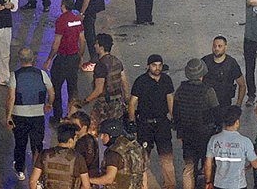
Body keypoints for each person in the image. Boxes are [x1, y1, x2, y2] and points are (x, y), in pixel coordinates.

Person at [128, 55, 176, 189]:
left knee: (167, 159)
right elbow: (132, 103)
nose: (157, 68)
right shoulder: (141, 81)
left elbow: (170, 99)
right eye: (154, 65)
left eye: (160, 65)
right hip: (145, 124)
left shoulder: (166, 80)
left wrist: (173, 117)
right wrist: (132, 123)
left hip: (162, 124)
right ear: (148, 66)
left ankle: (170, 186)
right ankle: (142, 186)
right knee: (143, 160)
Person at [7, 47, 54, 181]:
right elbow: (52, 92)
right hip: (37, 115)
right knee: (37, 144)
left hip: (19, 115)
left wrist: (8, 116)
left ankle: (20, 169)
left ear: (20, 59)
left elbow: (11, 98)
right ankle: (37, 172)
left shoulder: (15, 76)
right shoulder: (42, 74)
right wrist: (49, 104)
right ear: (33, 59)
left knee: (20, 143)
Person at [172, 59, 219, 189]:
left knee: (189, 167)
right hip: (206, 134)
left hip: (187, 134)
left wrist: (180, 132)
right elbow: (216, 113)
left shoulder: (180, 90)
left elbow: (176, 113)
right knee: (208, 165)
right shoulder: (208, 91)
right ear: (202, 73)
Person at [75, 34, 128, 133]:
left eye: (96, 44)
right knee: (115, 131)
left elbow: (99, 90)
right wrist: (126, 100)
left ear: (101, 47)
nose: (94, 46)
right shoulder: (117, 61)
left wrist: (85, 101)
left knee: (91, 131)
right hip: (117, 104)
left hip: (105, 105)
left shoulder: (100, 65)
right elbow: (124, 83)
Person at [45, 0, 84, 124]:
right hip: (74, 58)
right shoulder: (78, 20)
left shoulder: (61, 21)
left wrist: (49, 59)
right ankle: (73, 116)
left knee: (56, 87)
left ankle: (58, 118)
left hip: (62, 60)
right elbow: (82, 40)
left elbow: (57, 43)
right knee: (72, 89)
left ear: (63, 5)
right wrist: (80, 56)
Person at [205, 105, 257, 189]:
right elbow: (255, 165)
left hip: (219, 184)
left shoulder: (214, 140)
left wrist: (208, 181)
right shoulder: (245, 141)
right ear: (237, 122)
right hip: (238, 185)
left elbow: (208, 164)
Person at [89, 118, 146, 189]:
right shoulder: (135, 148)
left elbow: (109, 179)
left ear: (112, 135)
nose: (101, 137)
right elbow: (143, 175)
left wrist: (88, 180)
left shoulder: (114, 153)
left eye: (104, 134)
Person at [202, 36, 246, 108]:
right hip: (207, 104)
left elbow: (242, 85)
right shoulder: (205, 61)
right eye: (214, 46)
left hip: (224, 104)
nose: (216, 48)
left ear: (225, 47)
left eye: (220, 46)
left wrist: (238, 106)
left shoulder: (232, 64)